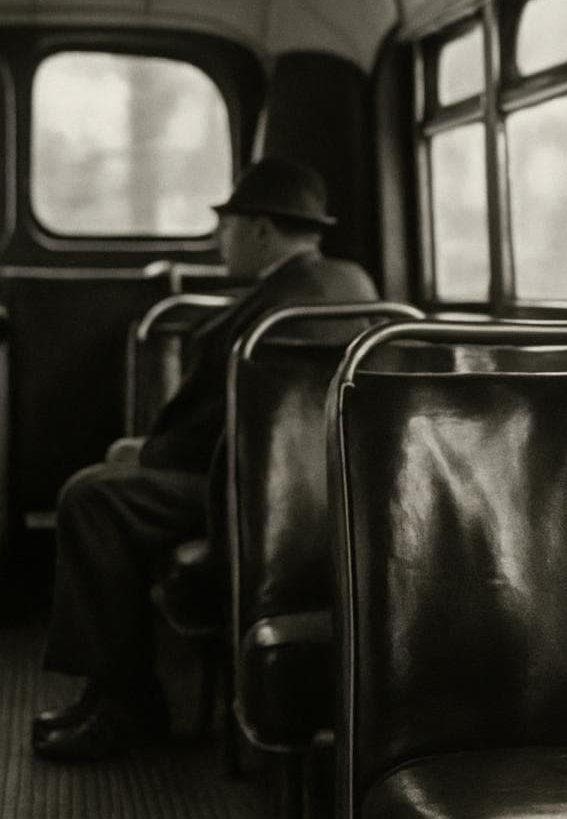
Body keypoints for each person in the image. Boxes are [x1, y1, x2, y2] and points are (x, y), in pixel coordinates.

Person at [33, 156, 378, 762]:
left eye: (228, 225)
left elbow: (214, 434)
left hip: (246, 495)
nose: (222, 239)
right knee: (109, 491)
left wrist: (142, 451)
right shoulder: (354, 287)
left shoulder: (259, 318)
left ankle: (125, 704)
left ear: (262, 231)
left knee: (93, 495)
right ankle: (107, 693)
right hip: (342, 493)